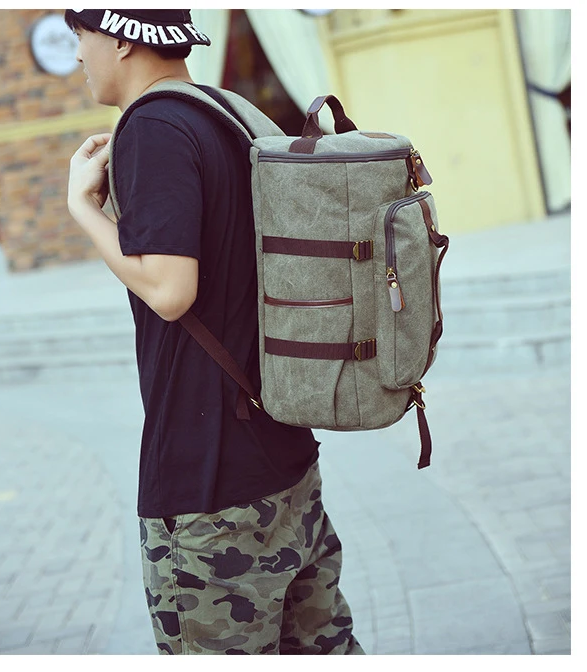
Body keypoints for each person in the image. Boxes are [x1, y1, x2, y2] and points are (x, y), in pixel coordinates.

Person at [64, 9, 364, 655]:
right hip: (284, 457)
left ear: (119, 38)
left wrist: (81, 209)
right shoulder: (225, 112)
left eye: (80, 37)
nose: (78, 56)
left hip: (210, 489)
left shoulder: (152, 128)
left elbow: (170, 291)